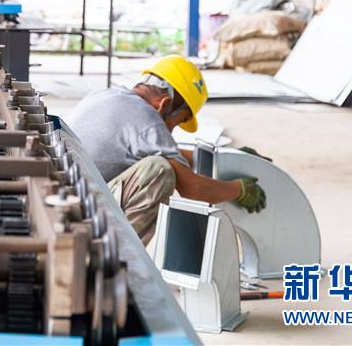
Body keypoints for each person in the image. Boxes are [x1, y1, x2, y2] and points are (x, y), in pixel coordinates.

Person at [68, 55, 267, 245]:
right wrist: (239, 190)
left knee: (158, 162)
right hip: (80, 212)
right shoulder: (148, 119)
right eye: (178, 121)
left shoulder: (108, 95)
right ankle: (116, 259)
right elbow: (192, 187)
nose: (171, 131)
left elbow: (156, 151)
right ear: (165, 104)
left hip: (61, 201)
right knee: (159, 171)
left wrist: (225, 157)